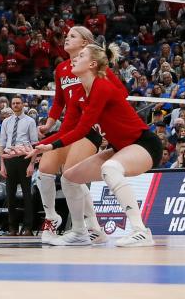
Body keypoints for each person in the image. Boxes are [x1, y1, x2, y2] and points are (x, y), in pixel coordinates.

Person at [22, 44, 162, 247]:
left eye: (80, 56)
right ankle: (82, 231)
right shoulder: (79, 92)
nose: (74, 59)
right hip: (120, 147)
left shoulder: (102, 86)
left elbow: (82, 129)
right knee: (70, 177)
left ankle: (141, 231)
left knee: (110, 168)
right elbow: (66, 130)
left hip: (144, 144)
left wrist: (51, 147)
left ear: (93, 64)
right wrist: (36, 146)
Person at [36, 26, 123, 244]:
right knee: (44, 170)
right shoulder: (62, 69)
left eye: (72, 36)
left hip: (88, 129)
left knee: (70, 174)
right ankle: (52, 217)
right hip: (67, 128)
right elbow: (58, 101)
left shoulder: (96, 68)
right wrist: (49, 124)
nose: (66, 38)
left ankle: (87, 228)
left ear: (85, 43)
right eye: (66, 36)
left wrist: (101, 113)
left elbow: (121, 93)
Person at [0, 97, 37, 236]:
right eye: (13, 103)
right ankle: (12, 228)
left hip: (24, 158)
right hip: (9, 160)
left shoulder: (30, 121)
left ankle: (28, 228)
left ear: (23, 105)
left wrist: (32, 164)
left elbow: (34, 144)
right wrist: (2, 164)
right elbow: (2, 144)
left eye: (18, 103)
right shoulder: (6, 122)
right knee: (10, 195)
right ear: (11, 105)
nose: (16, 105)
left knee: (27, 195)